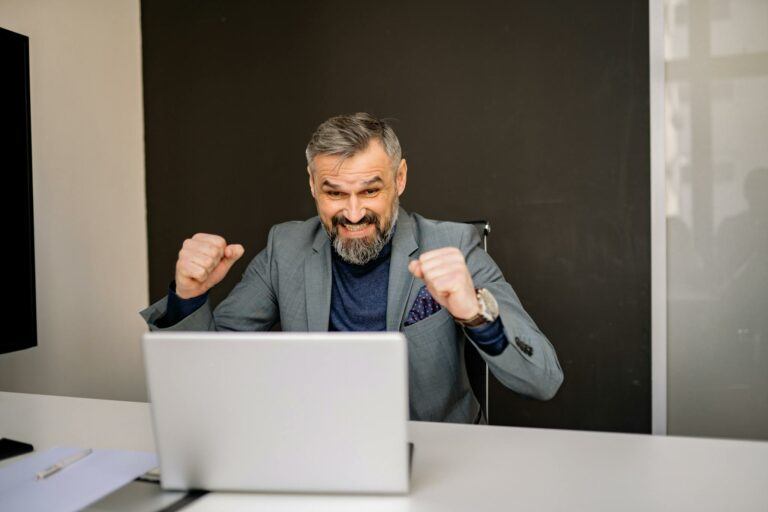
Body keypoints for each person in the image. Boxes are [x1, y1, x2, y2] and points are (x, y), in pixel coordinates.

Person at [139, 112, 564, 424]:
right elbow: (206, 376)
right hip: (316, 447)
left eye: (370, 191)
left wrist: (474, 314)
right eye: (335, 194)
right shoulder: (285, 248)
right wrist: (188, 295)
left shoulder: (455, 245)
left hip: (435, 452)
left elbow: (543, 379)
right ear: (312, 185)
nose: (354, 213)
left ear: (399, 180)